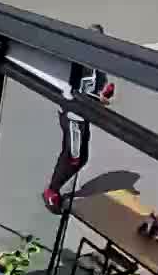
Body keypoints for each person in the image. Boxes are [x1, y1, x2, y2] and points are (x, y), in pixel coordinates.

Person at [42, 25, 115, 214]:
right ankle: (52, 191)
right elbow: (69, 90)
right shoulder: (76, 61)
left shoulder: (97, 64)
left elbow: (98, 90)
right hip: (73, 115)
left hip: (84, 115)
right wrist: (94, 99)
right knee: (74, 157)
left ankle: (54, 188)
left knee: (81, 157)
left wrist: (103, 94)